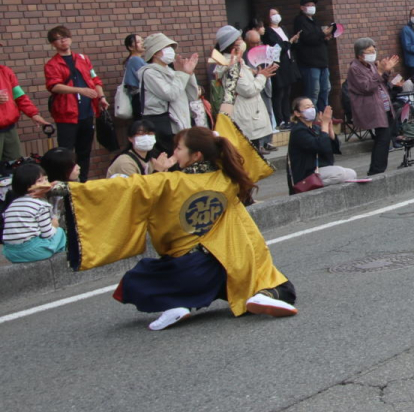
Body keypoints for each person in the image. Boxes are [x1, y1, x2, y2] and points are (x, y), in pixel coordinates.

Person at [54, 115, 297, 330]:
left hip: (185, 268)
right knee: (282, 285)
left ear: (196, 155)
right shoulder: (227, 179)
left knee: (133, 283)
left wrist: (66, 188)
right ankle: (262, 293)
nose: (174, 154)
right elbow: (236, 149)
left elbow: (121, 187)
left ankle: (176, 303)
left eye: (179, 148)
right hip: (228, 262)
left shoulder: (167, 182)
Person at [43, 26, 108, 182]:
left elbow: (95, 80)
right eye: (58, 38)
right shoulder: (52, 64)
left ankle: (83, 181)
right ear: (53, 44)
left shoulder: (83, 59)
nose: (63, 40)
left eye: (65, 36)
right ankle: (66, 184)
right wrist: (80, 90)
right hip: (66, 115)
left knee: (84, 151)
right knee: (66, 153)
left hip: (87, 112)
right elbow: (54, 86)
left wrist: (101, 97)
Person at [211, 26, 278, 156]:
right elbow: (248, 89)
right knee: (249, 157)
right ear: (232, 44)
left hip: (247, 114)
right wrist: (262, 76)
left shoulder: (235, 61)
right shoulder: (231, 64)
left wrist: (255, 73)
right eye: (239, 39)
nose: (242, 42)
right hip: (245, 116)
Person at [344, 38, 402, 176]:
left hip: (383, 106)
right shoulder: (355, 68)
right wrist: (381, 71)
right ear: (359, 54)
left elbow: (380, 82)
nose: (373, 53)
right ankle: (376, 170)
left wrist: (386, 71)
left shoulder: (370, 66)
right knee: (382, 139)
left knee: (385, 138)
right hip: (372, 107)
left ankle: (378, 168)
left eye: (374, 50)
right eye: (369, 51)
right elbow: (367, 87)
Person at [140, 33, 201, 156]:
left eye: (171, 47)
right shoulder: (150, 73)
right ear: (155, 53)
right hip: (166, 126)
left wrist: (188, 73)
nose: (170, 51)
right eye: (166, 47)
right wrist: (182, 74)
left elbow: (192, 95)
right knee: (171, 162)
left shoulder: (172, 71)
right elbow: (171, 94)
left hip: (181, 124)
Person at [286, 97, 357, 191]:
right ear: (297, 113)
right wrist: (324, 126)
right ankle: (309, 187)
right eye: (307, 107)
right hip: (307, 174)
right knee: (339, 173)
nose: (311, 109)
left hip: (320, 169)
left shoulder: (315, 128)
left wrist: (330, 130)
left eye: (312, 106)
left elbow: (332, 148)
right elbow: (320, 146)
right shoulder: (298, 131)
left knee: (351, 173)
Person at [1, 164, 66, 263]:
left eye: (46, 179)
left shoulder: (13, 204)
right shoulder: (41, 205)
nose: (46, 183)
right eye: (40, 181)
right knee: (60, 232)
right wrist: (55, 225)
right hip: (32, 250)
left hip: (10, 253)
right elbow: (48, 234)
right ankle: (60, 262)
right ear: (27, 185)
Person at [0, 46, 53, 162]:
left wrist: (33, 114)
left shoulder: (5, 71)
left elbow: (20, 96)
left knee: (14, 165)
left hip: (9, 129)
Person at [294, 0, 335, 112]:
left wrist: (326, 38)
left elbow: (318, 38)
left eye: (313, 5)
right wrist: (322, 34)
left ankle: (323, 114)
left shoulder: (315, 21)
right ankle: (312, 116)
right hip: (309, 63)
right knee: (313, 91)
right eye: (308, 5)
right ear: (302, 7)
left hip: (322, 61)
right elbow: (307, 38)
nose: (312, 7)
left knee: (325, 89)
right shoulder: (300, 20)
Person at [262, 7, 300, 128]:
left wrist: (293, 42)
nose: (276, 16)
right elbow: (278, 47)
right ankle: (280, 120)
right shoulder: (268, 32)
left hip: (288, 63)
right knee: (279, 93)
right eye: (273, 14)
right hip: (278, 65)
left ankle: (287, 117)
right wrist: (289, 41)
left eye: (277, 13)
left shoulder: (283, 29)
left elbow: (288, 46)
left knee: (287, 92)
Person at [121, 34, 147, 119]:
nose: (142, 43)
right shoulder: (136, 59)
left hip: (137, 98)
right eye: (138, 42)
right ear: (130, 47)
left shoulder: (132, 59)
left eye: (142, 41)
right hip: (141, 98)